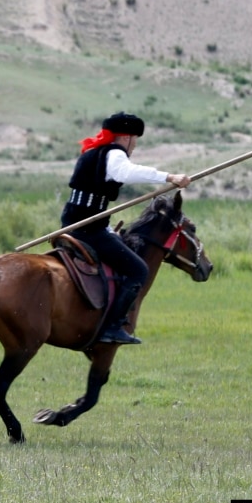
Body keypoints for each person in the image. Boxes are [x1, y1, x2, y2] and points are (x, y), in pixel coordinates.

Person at [62, 112, 191, 344]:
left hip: (75, 223)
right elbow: (127, 172)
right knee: (138, 270)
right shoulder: (114, 154)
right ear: (127, 138)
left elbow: (90, 200)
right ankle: (111, 327)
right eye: (135, 140)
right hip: (89, 229)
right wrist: (169, 177)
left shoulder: (92, 153)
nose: (135, 146)